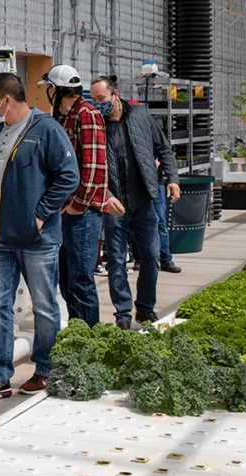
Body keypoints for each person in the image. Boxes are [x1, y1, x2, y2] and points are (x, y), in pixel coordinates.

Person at [0, 73, 79, 401]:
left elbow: (69, 176)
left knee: (44, 306)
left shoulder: (45, 130)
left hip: (37, 239)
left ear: (7, 98)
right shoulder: (0, 131)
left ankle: (45, 369)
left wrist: (40, 214)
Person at [89, 75, 181, 330]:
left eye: (102, 99)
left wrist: (172, 179)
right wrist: (106, 196)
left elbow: (163, 149)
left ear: (115, 94)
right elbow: (91, 166)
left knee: (151, 256)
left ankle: (145, 308)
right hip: (114, 204)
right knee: (117, 261)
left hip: (144, 201)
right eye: (94, 100)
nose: (98, 105)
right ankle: (123, 315)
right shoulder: (96, 125)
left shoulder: (140, 115)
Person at [40, 64, 110, 328]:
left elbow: (93, 167)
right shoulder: (63, 116)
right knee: (67, 279)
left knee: (81, 280)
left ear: (55, 89)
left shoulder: (86, 115)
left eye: (48, 88)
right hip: (64, 211)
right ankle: (78, 332)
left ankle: (90, 342)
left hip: (82, 213)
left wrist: (77, 205)